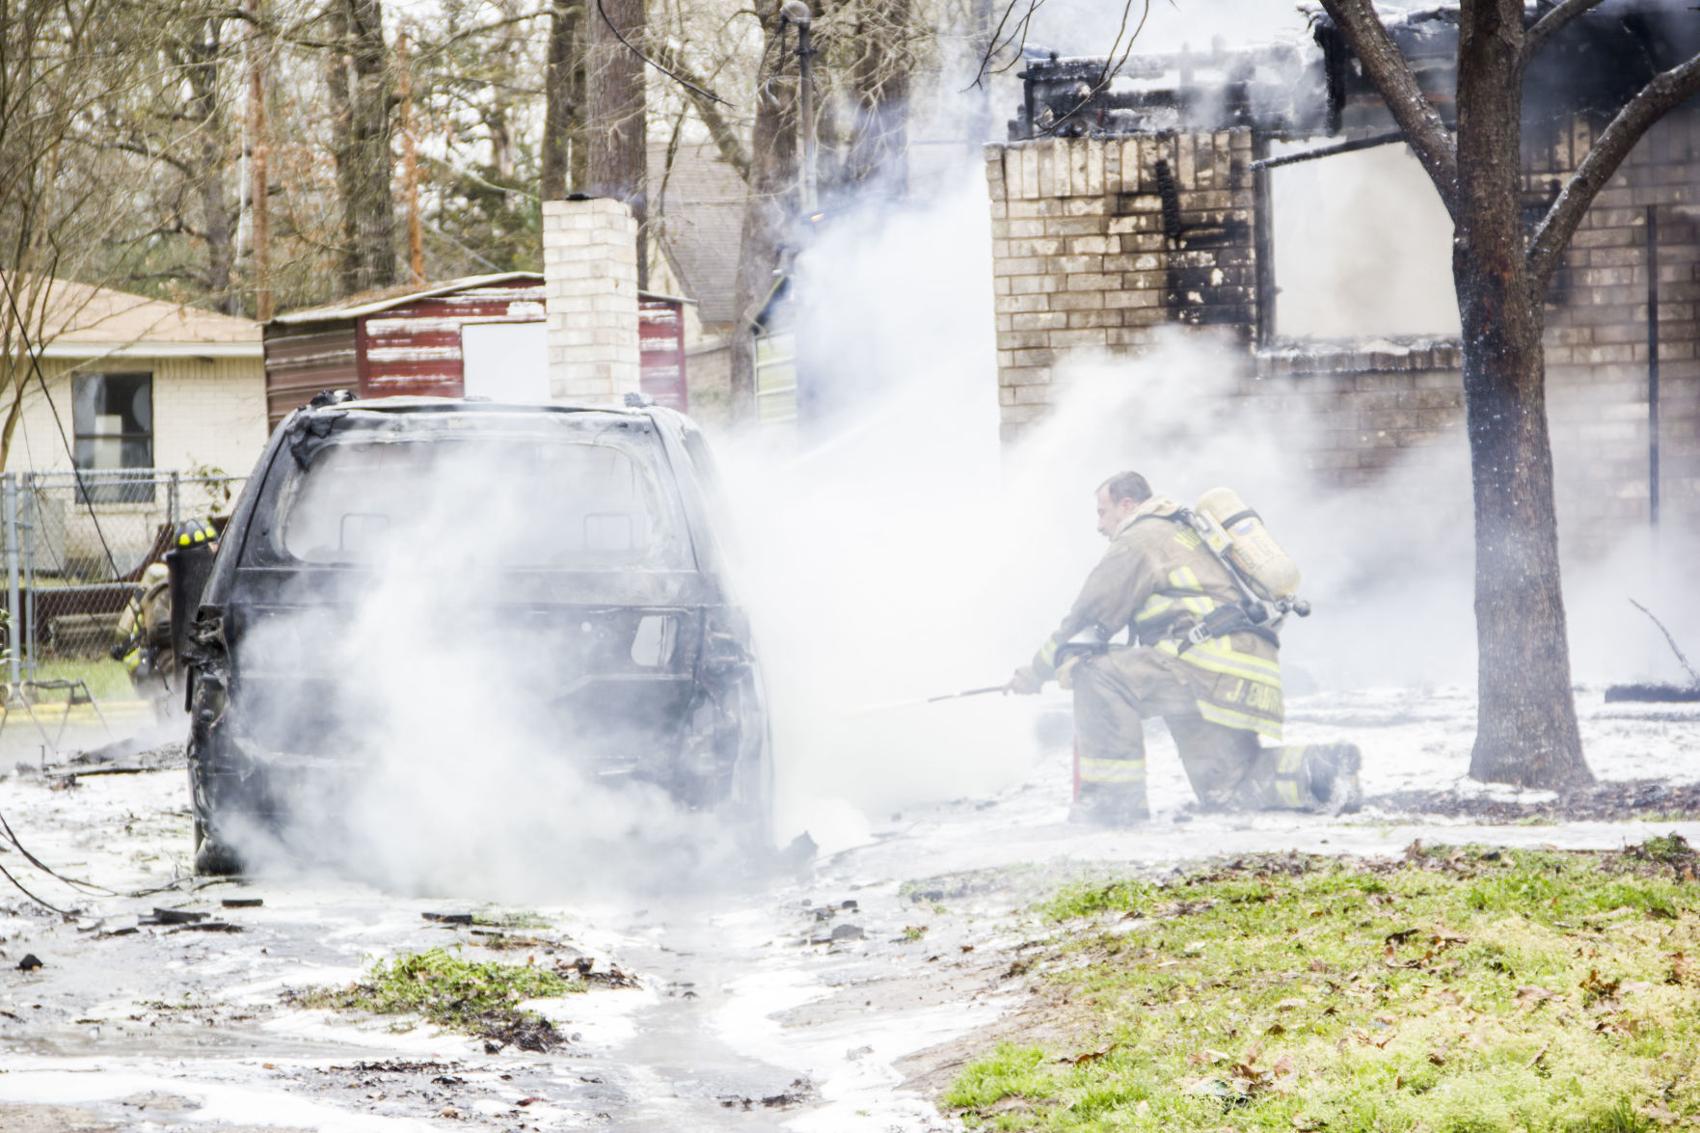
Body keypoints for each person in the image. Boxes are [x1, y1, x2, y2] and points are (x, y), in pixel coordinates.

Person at [1006, 471, 1361, 825]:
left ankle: (1111, 807)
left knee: (1095, 673)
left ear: (1126, 505)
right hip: (1242, 669)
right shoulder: (1185, 532)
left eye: (1102, 512)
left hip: (1201, 665)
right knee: (1228, 788)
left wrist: (1035, 672)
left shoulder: (1139, 539)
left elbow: (1084, 622)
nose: (1099, 525)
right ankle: (1322, 769)